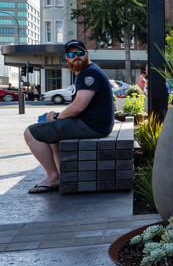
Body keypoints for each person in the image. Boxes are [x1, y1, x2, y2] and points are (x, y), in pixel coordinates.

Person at [24, 40, 114, 194]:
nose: (76, 57)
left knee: (30, 133)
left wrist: (56, 115)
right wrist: (55, 117)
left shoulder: (89, 73)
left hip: (91, 125)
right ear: (67, 58)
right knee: (50, 132)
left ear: (87, 54)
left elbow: (78, 106)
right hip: (93, 124)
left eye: (79, 53)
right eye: (71, 55)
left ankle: (53, 177)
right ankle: (60, 175)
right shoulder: (85, 73)